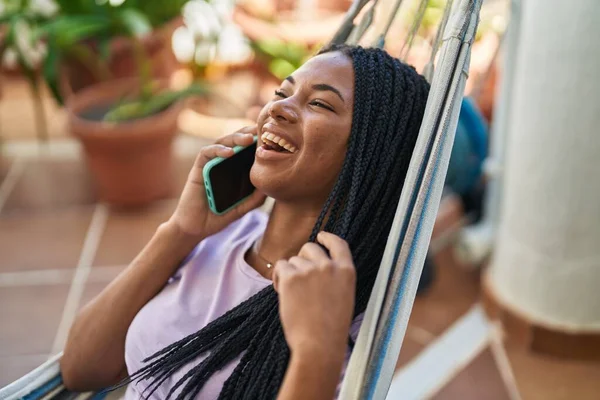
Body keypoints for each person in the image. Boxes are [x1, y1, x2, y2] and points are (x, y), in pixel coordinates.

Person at [60, 44, 430, 399]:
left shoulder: (342, 317)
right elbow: (80, 370)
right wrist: (178, 233)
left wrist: (318, 349)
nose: (278, 109)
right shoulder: (219, 236)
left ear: (373, 158)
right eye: (281, 92)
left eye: (319, 103)